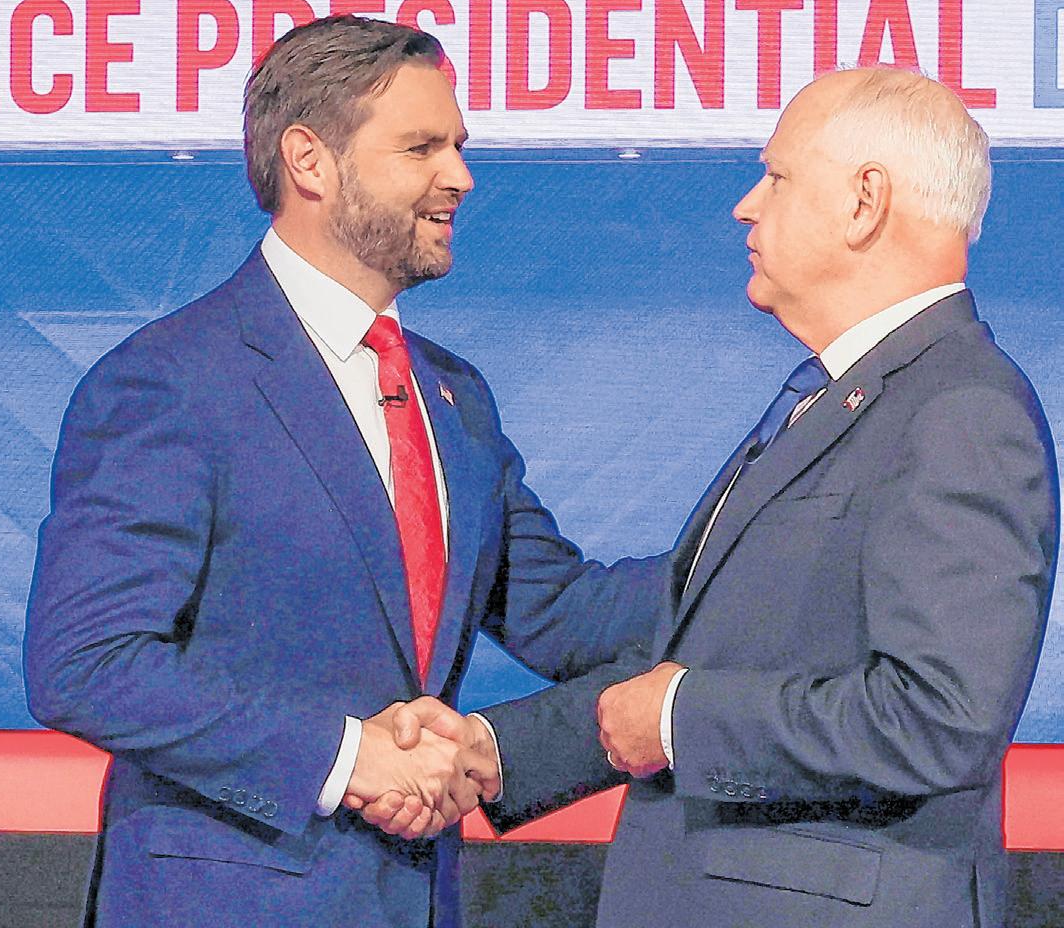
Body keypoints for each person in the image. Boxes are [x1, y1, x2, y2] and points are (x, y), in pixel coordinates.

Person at [368, 67, 1060, 928]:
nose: (745, 206)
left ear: (865, 203)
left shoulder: (961, 411)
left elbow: (938, 720)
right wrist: (500, 749)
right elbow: (694, 638)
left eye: (777, 177)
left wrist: (678, 718)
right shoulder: (841, 401)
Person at [22, 15, 660, 928]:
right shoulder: (171, 381)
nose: (461, 176)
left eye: (458, 146)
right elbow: (87, 664)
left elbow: (561, 612)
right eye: (422, 148)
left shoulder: (454, 397)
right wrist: (346, 757)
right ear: (309, 160)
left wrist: (755, 558)